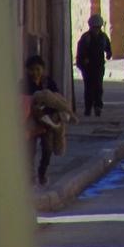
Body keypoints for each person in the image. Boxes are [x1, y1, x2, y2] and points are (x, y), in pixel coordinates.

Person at [24, 54, 70, 186]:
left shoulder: (48, 83)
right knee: (29, 150)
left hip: (47, 122)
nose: (35, 73)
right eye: (32, 69)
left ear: (43, 70)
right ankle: (30, 176)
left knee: (47, 149)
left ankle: (42, 172)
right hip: (31, 122)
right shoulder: (24, 85)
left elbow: (57, 101)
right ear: (27, 70)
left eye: (38, 69)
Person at [75, 14, 113, 116]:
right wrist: (83, 62)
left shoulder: (103, 37)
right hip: (88, 67)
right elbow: (80, 53)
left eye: (98, 27)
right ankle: (88, 108)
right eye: (94, 27)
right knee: (88, 88)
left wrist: (109, 54)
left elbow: (108, 48)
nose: (96, 30)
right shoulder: (86, 38)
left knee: (98, 87)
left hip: (99, 66)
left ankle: (98, 107)